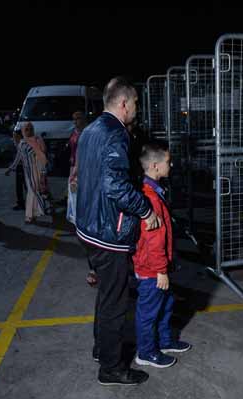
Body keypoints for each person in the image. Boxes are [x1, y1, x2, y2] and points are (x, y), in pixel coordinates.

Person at [74, 77, 162, 386]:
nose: (138, 107)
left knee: (106, 295)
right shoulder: (115, 134)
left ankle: (103, 349)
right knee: (115, 303)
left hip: (88, 227)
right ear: (123, 103)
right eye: (136, 102)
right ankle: (111, 369)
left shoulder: (90, 130)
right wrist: (146, 209)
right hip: (108, 233)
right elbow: (115, 186)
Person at [133, 140, 191, 369]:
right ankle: (146, 353)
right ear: (155, 166)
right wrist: (160, 271)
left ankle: (165, 341)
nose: (171, 164)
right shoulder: (151, 198)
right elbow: (154, 240)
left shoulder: (154, 191)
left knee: (165, 304)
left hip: (156, 266)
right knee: (149, 312)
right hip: (151, 269)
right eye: (168, 161)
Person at [67, 110, 98, 287]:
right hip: (80, 179)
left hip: (93, 182)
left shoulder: (90, 135)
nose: (75, 121)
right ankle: (93, 268)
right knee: (85, 227)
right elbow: (77, 159)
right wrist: (75, 175)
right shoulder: (75, 134)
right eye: (74, 118)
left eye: (78, 118)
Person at [5, 122, 50, 223]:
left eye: (31, 129)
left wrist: (43, 172)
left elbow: (42, 157)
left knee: (33, 192)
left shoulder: (38, 140)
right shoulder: (22, 143)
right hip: (27, 171)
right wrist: (11, 168)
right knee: (32, 192)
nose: (29, 131)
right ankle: (35, 212)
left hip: (37, 170)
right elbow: (18, 158)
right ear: (23, 131)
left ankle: (40, 208)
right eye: (26, 129)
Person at [12, 129, 26, 210]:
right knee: (20, 186)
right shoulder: (19, 143)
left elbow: (19, 158)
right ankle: (21, 203)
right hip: (20, 167)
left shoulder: (22, 144)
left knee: (23, 186)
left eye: (15, 136)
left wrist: (12, 167)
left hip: (23, 167)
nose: (13, 138)